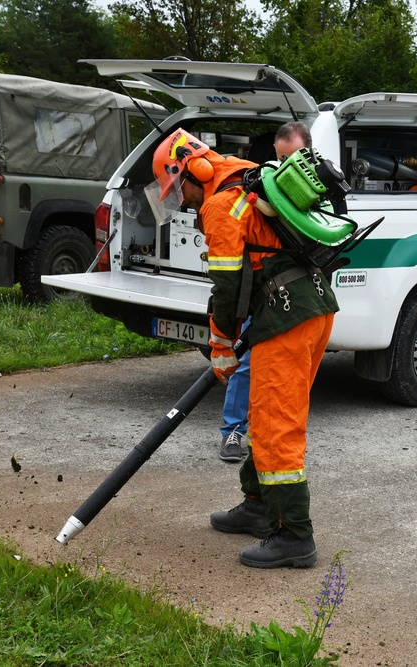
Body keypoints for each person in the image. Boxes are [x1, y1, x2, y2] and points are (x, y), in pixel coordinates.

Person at [152, 128, 338, 568]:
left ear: (197, 169)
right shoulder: (250, 177)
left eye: (182, 190)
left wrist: (220, 343)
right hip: (311, 308)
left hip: (287, 317)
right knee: (264, 414)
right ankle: (258, 505)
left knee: (276, 424)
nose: (185, 202)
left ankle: (294, 535)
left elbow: (228, 286)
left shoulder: (220, 205)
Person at [217, 121, 317, 463]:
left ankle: (271, 436)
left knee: (290, 374)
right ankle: (233, 431)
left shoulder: (321, 189)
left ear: (309, 151)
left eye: (291, 157)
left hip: (300, 293)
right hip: (262, 288)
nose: (283, 165)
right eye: (279, 157)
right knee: (247, 361)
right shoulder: (266, 181)